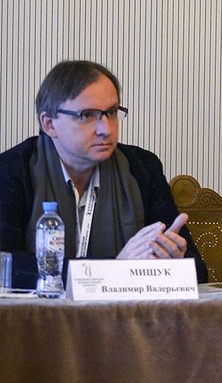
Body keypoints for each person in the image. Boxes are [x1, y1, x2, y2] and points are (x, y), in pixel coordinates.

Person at [0, 60, 206, 289]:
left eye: (112, 112)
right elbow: (5, 267)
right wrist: (115, 269)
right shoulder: (12, 170)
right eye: (87, 115)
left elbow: (198, 271)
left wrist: (175, 261)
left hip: (125, 312)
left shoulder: (141, 167)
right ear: (49, 124)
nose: (106, 129)